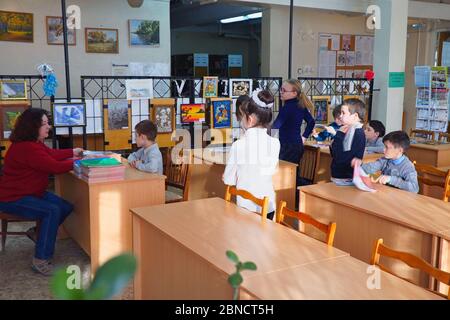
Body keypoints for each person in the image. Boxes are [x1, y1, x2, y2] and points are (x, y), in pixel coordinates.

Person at [0, 108, 83, 276]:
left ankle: (38, 234)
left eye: (47, 123)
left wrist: (72, 152)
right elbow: (54, 166)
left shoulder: (34, 143)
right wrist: (79, 161)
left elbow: (51, 154)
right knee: (52, 211)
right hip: (13, 197)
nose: (48, 127)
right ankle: (40, 260)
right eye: (44, 124)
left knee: (65, 206)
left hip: (30, 192)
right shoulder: (27, 148)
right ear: (32, 126)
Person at [223, 89, 280, 220]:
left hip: (246, 207)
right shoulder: (275, 143)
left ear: (250, 119)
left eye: (242, 116)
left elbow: (228, 179)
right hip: (269, 205)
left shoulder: (239, 145)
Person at [354, 131, 419, 193]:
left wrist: (391, 179)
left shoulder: (407, 166)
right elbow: (371, 168)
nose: (383, 150)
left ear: (400, 150)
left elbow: (414, 188)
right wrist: (360, 164)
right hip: (386, 194)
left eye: (387, 147)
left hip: (400, 200)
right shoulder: (384, 160)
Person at [271, 79, 315, 164]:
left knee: (285, 174)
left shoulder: (287, 107)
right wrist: (304, 137)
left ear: (294, 93)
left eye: (284, 90)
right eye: (281, 89)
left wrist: (268, 140)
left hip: (287, 147)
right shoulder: (300, 105)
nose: (281, 92)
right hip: (297, 145)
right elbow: (311, 122)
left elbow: (275, 126)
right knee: (294, 173)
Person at [330, 98, 366, 183]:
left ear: (355, 116)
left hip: (346, 177)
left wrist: (338, 136)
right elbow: (335, 153)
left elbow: (342, 157)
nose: (340, 116)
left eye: (343, 113)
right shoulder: (348, 129)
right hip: (339, 174)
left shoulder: (358, 133)